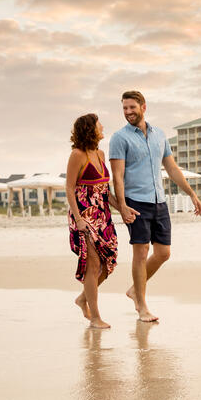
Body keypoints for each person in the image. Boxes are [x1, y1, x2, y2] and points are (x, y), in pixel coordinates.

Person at [109, 90, 201, 322]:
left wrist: (191, 193)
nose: (128, 112)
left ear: (143, 107)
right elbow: (117, 176)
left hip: (158, 201)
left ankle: (134, 290)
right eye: (124, 108)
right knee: (140, 253)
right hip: (135, 202)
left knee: (163, 253)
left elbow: (171, 169)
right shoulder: (119, 138)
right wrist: (121, 206)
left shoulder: (159, 135)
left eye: (132, 107)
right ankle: (141, 305)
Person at [66, 113, 118, 329]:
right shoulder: (77, 155)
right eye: (99, 124)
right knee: (93, 264)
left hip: (103, 216)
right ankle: (95, 317)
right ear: (90, 129)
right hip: (84, 216)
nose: (103, 126)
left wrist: (122, 209)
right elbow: (69, 188)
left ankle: (82, 299)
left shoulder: (101, 154)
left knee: (108, 262)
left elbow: (105, 190)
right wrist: (78, 219)